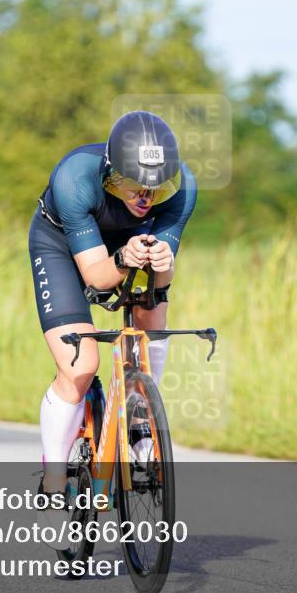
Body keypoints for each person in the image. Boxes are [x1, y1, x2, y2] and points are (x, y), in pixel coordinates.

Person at [29, 110, 197, 507]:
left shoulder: (183, 188)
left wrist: (161, 264)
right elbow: (97, 278)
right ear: (111, 173)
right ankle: (54, 479)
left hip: (129, 244)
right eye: (135, 185)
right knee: (81, 366)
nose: (147, 197)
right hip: (62, 247)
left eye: (157, 187)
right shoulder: (74, 178)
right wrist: (122, 258)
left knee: (152, 312)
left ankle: (141, 419)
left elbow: (161, 280)